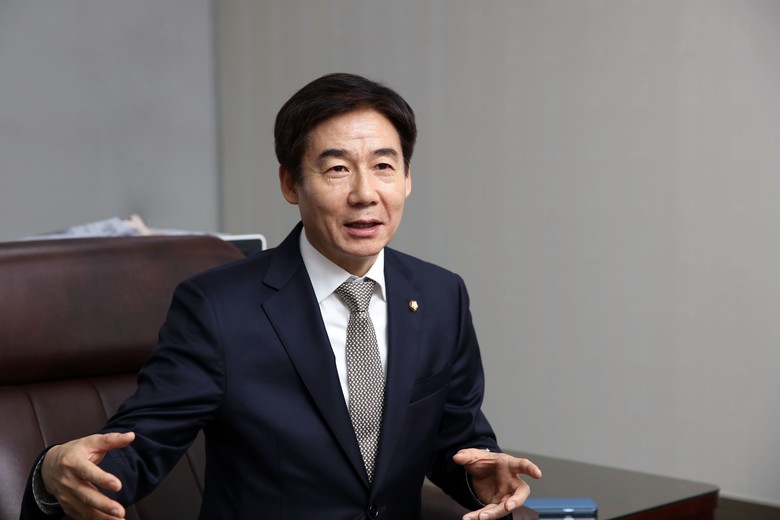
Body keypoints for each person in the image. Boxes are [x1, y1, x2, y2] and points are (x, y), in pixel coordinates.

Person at [21, 72, 541, 520]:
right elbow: (138, 448)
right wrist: (53, 476)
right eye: (337, 169)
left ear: (406, 179)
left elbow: (456, 439)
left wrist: (479, 475)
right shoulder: (218, 308)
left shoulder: (440, 295)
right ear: (290, 183)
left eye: (384, 166)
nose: (365, 193)